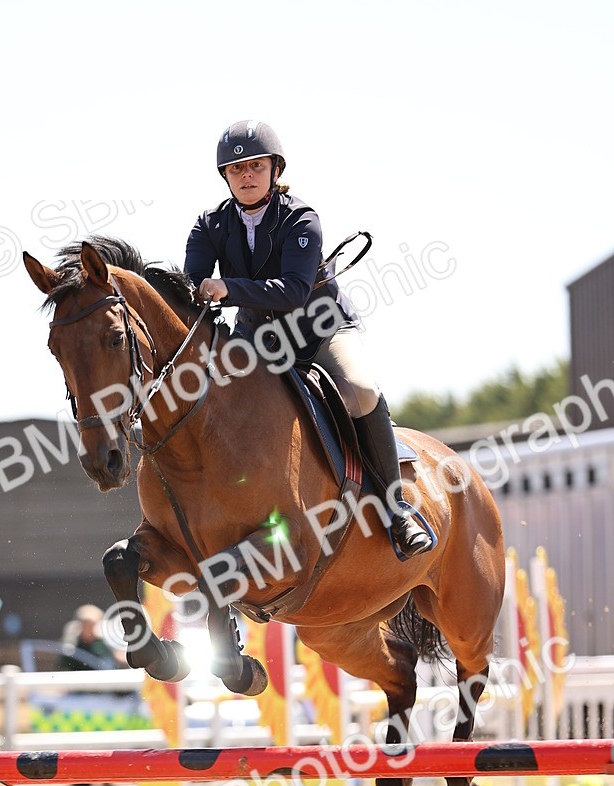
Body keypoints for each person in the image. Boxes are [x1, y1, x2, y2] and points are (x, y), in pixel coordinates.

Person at [184, 119, 434, 560]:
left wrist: (228, 289)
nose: (246, 176)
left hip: (318, 329)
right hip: (259, 338)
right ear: (225, 176)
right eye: (236, 169)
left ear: (274, 169)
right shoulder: (209, 225)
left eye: (255, 166)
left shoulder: (301, 218)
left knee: (359, 390)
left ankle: (395, 510)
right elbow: (193, 287)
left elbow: (295, 290)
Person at [57, 605, 117, 671]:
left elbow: (110, 665)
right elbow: (64, 665)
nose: (90, 628)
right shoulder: (72, 644)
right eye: (87, 624)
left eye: (93, 625)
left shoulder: (102, 644)